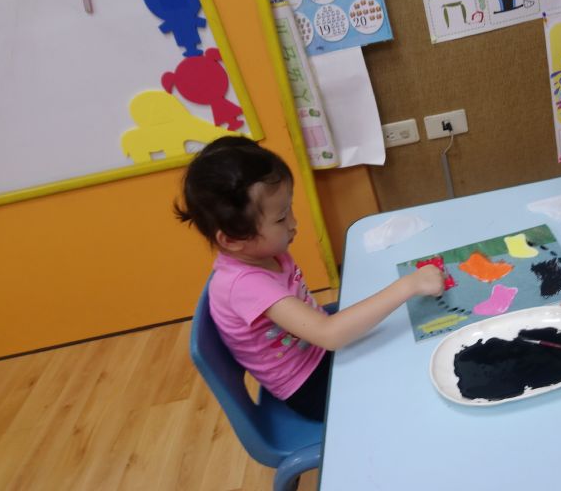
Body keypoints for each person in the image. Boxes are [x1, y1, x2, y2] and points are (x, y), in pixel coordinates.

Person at [175, 136, 445, 420]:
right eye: (281, 219)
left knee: (409, 341)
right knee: (412, 389)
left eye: (288, 209)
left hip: (319, 348)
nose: (293, 223)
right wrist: (409, 285)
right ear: (232, 239)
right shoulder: (244, 285)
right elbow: (329, 335)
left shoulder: (262, 252)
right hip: (309, 385)